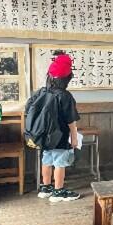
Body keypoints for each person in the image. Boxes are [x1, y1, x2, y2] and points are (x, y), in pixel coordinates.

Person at [36, 52, 81, 202]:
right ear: (67, 78)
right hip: (60, 136)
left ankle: (46, 188)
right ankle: (58, 191)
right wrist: (74, 138)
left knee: (47, 160)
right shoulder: (65, 96)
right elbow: (71, 121)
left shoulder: (42, 92)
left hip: (44, 136)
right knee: (60, 162)